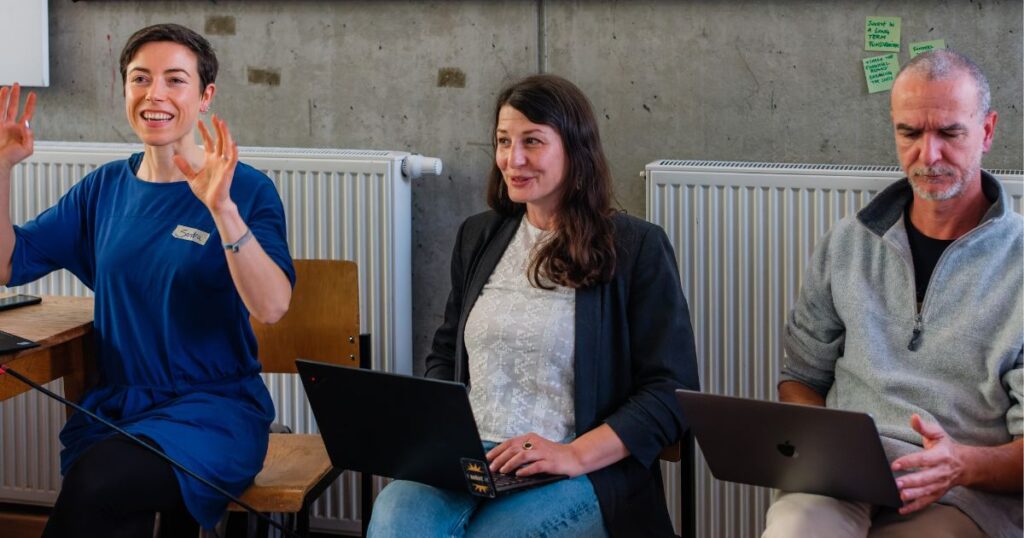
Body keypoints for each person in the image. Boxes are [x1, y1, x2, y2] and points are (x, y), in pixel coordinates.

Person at [366, 74, 699, 537]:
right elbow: (445, 355)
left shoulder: (636, 247)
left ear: (575, 149)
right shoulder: (478, 236)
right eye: (504, 141)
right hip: (470, 460)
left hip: (579, 467)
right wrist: (442, 439)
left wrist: (574, 454)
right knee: (394, 520)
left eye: (532, 142)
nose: (512, 159)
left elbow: (671, 392)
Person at [0, 23, 294, 536]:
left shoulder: (246, 190)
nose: (154, 94)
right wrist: (0, 168)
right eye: (140, 78)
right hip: (120, 407)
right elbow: (9, 263)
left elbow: (271, 307)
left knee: (98, 486)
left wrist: (222, 209)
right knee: (111, 498)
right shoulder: (103, 188)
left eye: (174, 80)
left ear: (205, 97)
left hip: (213, 412)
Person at [763, 49, 1022, 538]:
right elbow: (800, 378)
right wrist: (821, 451)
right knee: (794, 530)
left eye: (949, 133)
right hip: (842, 479)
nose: (928, 156)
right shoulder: (848, 242)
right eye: (909, 133)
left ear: (987, 131)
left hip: (963, 493)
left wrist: (960, 465)